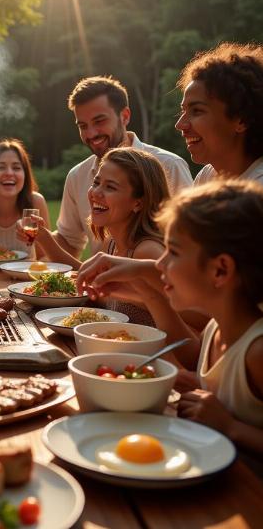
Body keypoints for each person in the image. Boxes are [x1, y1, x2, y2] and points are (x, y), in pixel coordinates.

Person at [77, 180, 263, 455]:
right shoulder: (217, 326)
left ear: (220, 270)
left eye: (172, 252)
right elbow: (196, 361)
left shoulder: (257, 352)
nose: (159, 263)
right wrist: (195, 382)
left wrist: (231, 426)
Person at [25, 148, 169, 324]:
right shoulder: (110, 243)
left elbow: (193, 317)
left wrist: (140, 298)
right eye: (96, 182)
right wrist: (44, 237)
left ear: (138, 202)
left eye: (110, 187)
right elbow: (87, 277)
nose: (95, 193)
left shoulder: (147, 251)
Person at [55, 76, 192, 258]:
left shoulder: (169, 166)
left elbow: (192, 242)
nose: (91, 134)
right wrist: (33, 235)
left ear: (125, 116)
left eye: (99, 121)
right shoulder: (77, 175)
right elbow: (70, 241)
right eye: (83, 126)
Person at [176, 42, 263, 185]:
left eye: (197, 111)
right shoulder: (207, 176)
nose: (180, 125)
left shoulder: (257, 191)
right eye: (183, 110)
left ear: (242, 120)